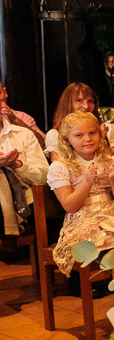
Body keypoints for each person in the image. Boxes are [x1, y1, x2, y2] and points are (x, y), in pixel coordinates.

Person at [47, 112, 114, 276]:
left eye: (92, 133)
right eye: (79, 135)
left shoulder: (110, 160)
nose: (87, 139)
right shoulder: (60, 167)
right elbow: (70, 206)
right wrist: (86, 183)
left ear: (100, 135)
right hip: (84, 221)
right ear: (67, 140)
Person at [0, 80, 47, 239]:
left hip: (25, 201)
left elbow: (44, 177)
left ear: (4, 94)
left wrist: (17, 164)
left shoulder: (23, 133)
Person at [46, 82, 114, 158]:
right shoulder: (54, 135)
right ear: (67, 103)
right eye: (79, 100)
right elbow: (58, 166)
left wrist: (102, 139)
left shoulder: (107, 129)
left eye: (90, 101)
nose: (86, 106)